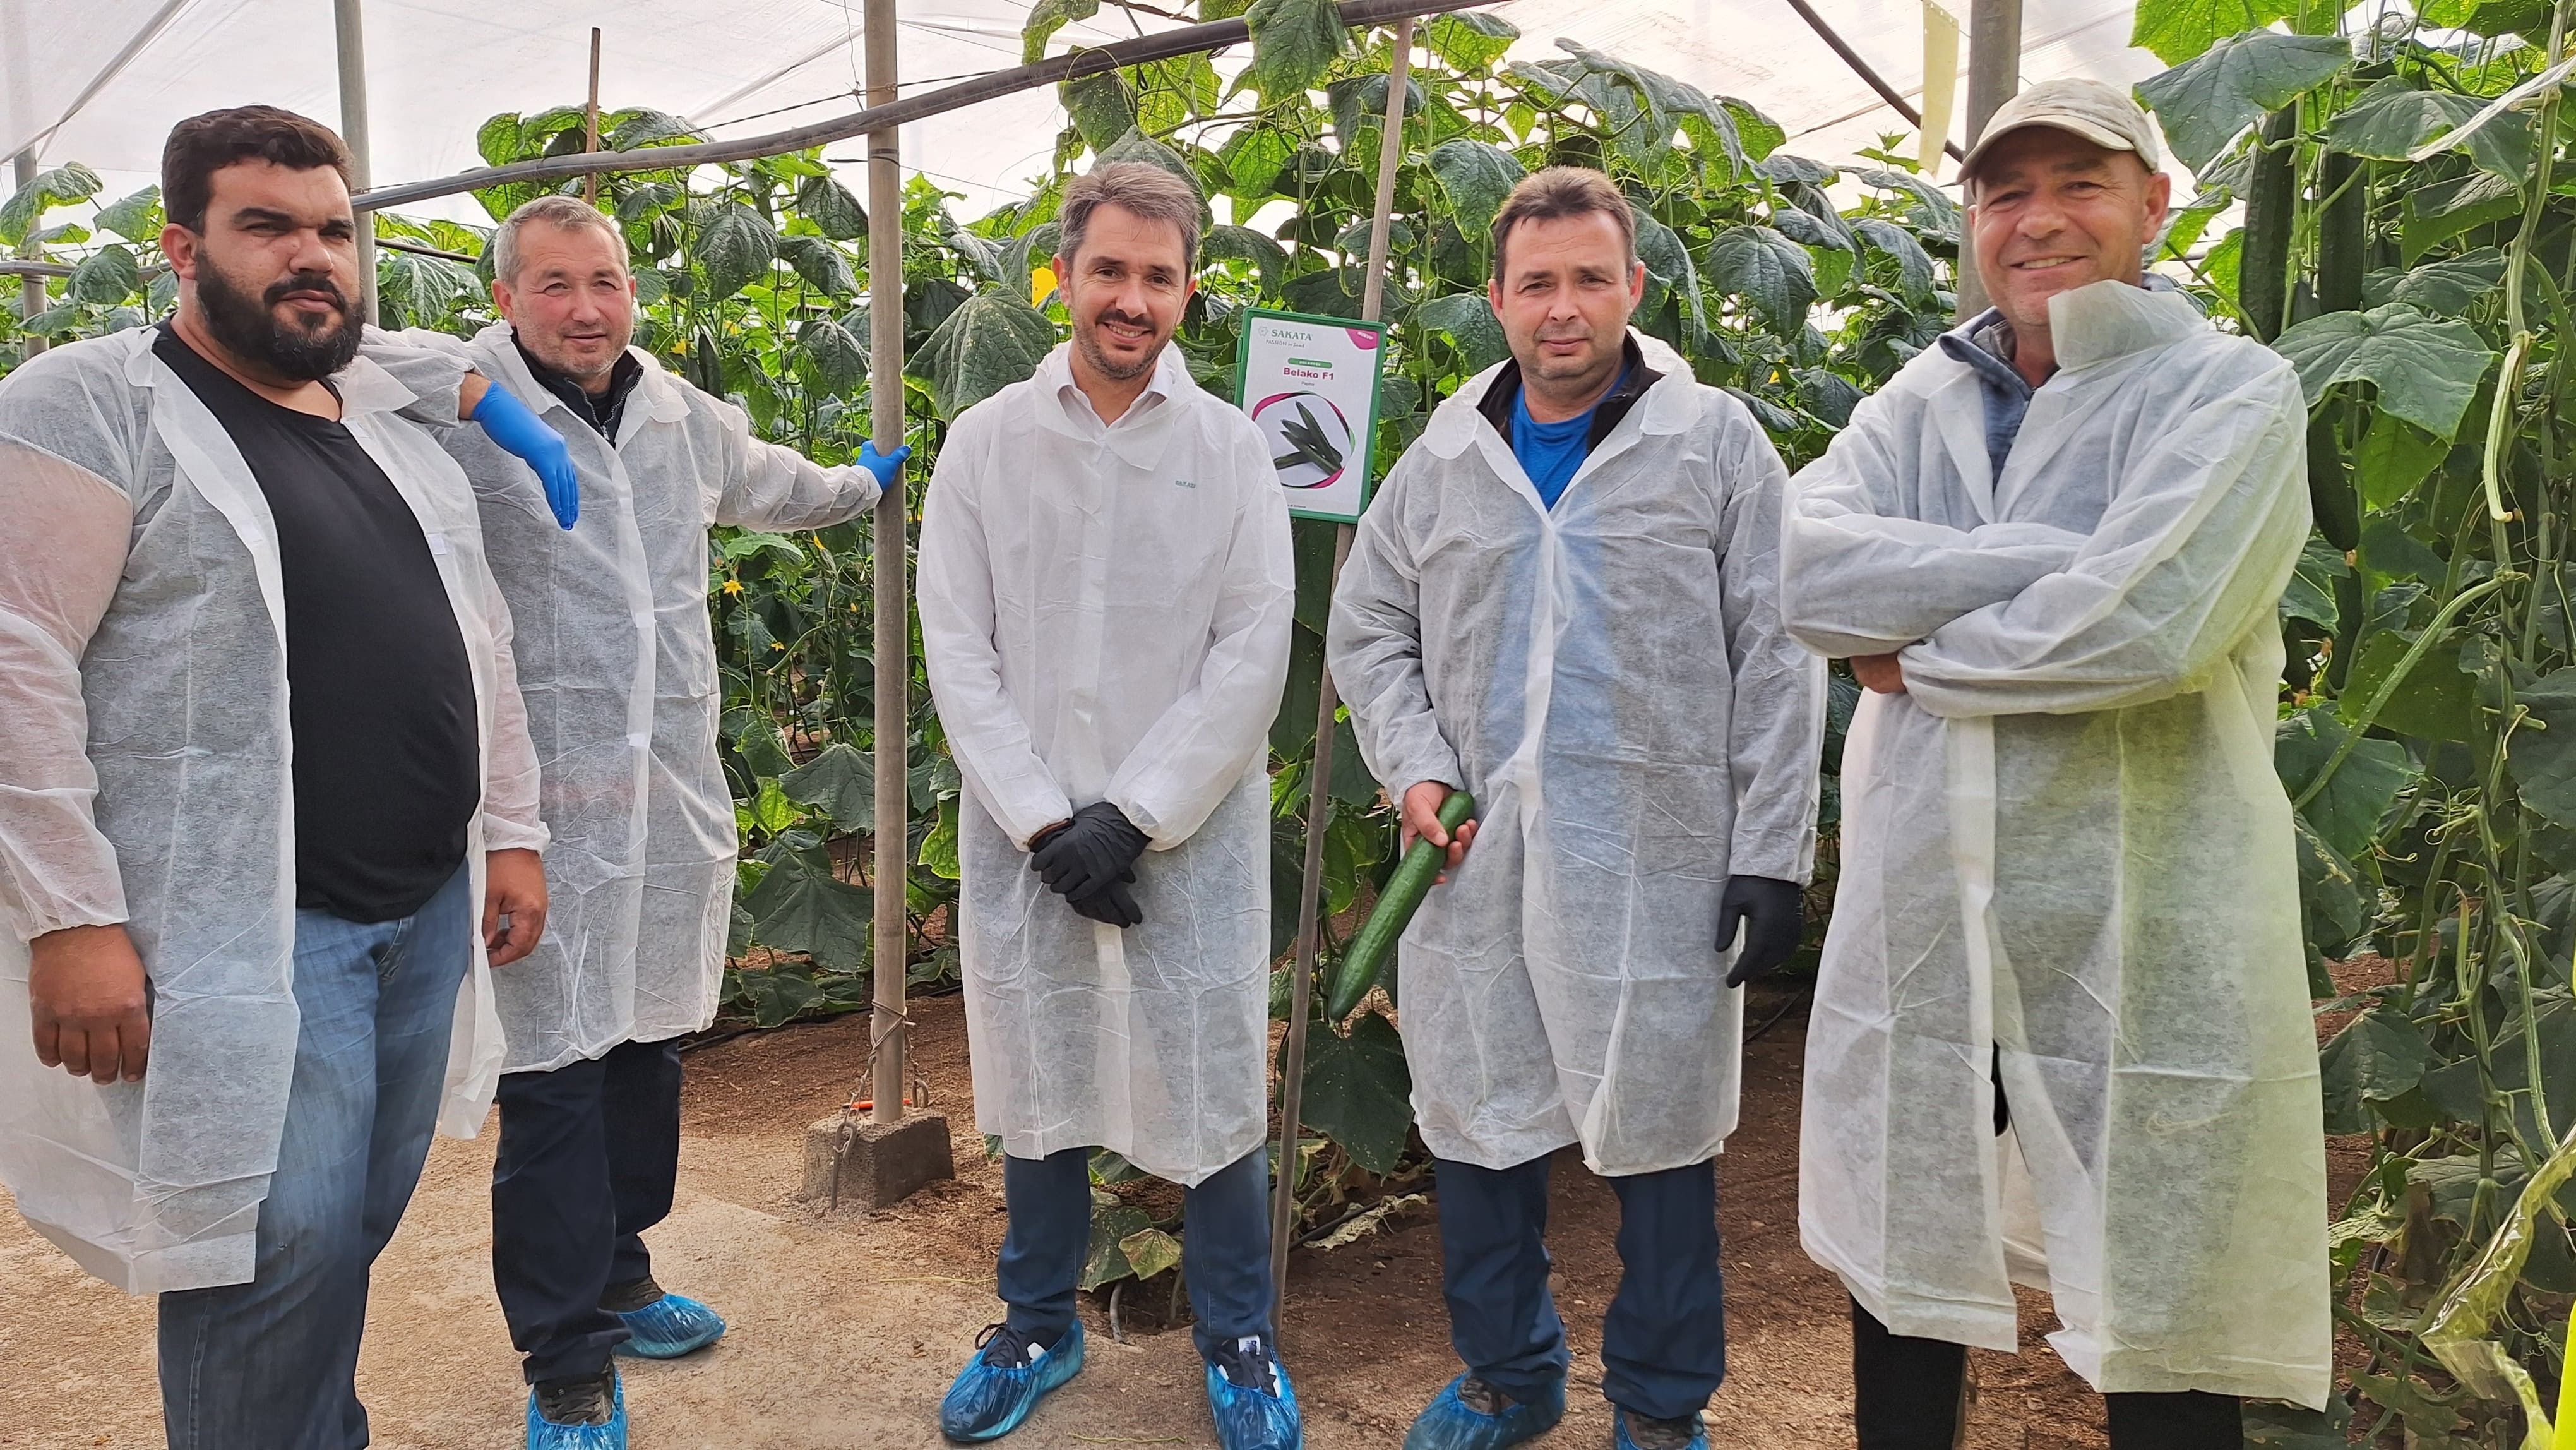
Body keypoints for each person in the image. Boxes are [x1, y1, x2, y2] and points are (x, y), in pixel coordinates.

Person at [1780, 78, 2329, 1447]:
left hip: (2136, 920)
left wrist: (1912, 654)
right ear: (1973, 217)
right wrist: (2050, 563)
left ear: (2155, 201)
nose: (2038, 221)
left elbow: (2148, 623)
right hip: (1925, 911)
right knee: (1906, 1256)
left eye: (2080, 184)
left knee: (2162, 1290)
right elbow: (1805, 572)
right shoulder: (1919, 399)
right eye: (2004, 191)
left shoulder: (2232, 392)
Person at [0, 106, 556, 1449]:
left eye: (332, 230)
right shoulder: (95, 401)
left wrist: (516, 829)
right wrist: (68, 917)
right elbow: (14, 656)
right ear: (182, 247)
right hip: (246, 922)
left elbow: (477, 641)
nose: (310, 256)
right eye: (268, 227)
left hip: (423, 904)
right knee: (265, 1245)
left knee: (349, 1218)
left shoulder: (374, 416)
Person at [367, 193, 903, 1450]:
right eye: (552, 283)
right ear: (503, 298)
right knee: (551, 1073)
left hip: (659, 792)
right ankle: (564, 1356)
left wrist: (861, 482)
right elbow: (322, 356)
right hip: (533, 803)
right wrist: (480, 398)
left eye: (603, 280)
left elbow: (778, 483)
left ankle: (621, 1268)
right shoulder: (452, 402)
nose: (585, 307)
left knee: (645, 1050)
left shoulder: (673, 409)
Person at [1328, 167, 1824, 1450]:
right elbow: (1368, 619)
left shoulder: (1713, 443)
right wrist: (1415, 762)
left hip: (1655, 864)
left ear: (1633, 288)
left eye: (1590, 279)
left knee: (1659, 1141)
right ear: (1496, 299)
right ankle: (1510, 1373)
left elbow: (1778, 650)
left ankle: (1660, 1405)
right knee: (1483, 1122)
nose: (1565, 308)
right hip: (1474, 859)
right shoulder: (1443, 460)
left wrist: (1772, 853)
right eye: (1537, 283)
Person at [916, 159, 1298, 1450]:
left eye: (1159, 275)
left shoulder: (1232, 448)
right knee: (1044, 1065)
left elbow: (1254, 647)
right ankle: (1038, 1318)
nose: (1131, 298)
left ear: (1190, 290)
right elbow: (956, 644)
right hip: (1028, 839)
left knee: (1208, 1073)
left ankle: (1239, 1333)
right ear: (1066, 277)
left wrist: (1131, 815)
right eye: (1109, 270)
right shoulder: (986, 443)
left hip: (1183, 839)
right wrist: (1041, 817)